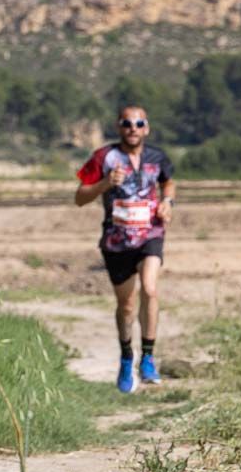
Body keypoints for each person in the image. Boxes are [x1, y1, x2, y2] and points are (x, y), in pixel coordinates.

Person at [75, 105, 176, 394]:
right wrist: (106, 183)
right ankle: (126, 356)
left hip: (150, 234)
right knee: (127, 305)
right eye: (127, 123)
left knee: (150, 289)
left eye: (139, 123)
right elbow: (80, 197)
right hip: (117, 241)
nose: (133, 128)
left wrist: (168, 203)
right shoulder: (104, 158)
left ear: (147, 128)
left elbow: (168, 183)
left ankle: (147, 357)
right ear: (119, 127)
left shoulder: (157, 157)